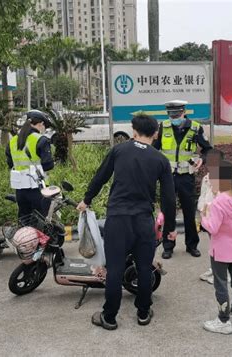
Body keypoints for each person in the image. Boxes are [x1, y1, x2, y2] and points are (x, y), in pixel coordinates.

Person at [76, 114, 177, 331]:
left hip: (118, 220)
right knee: (143, 268)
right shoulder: (160, 160)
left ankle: (109, 317)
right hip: (143, 222)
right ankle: (143, 312)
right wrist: (169, 229)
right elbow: (169, 198)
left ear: (134, 131)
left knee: (114, 269)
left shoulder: (119, 151)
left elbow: (100, 177)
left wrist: (86, 200)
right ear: (156, 134)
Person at [153, 99, 212, 259]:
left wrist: (202, 159)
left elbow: (208, 149)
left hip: (187, 176)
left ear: (184, 112)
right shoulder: (162, 127)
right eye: (171, 115)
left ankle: (192, 245)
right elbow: (154, 149)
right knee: (168, 212)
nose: (174, 117)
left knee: (189, 212)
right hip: (168, 177)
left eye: (177, 114)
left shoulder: (195, 128)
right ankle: (168, 245)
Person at [200, 160, 232, 335]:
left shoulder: (219, 202)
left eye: (212, 178)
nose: (210, 181)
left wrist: (203, 215)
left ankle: (223, 320)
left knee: (220, 285)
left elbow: (212, 228)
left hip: (220, 251)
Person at [6, 110, 54, 218]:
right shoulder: (41, 140)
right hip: (38, 189)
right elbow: (48, 165)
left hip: (20, 190)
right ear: (41, 124)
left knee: (25, 221)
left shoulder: (13, 141)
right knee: (41, 222)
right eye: (44, 126)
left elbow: (10, 163)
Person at [198, 149, 225, 285]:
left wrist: (216, 193)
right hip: (208, 217)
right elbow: (203, 196)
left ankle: (223, 274)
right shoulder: (207, 178)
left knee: (221, 245)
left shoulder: (225, 177)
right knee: (213, 244)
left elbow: (228, 200)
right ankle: (214, 269)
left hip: (220, 219)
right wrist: (202, 211)